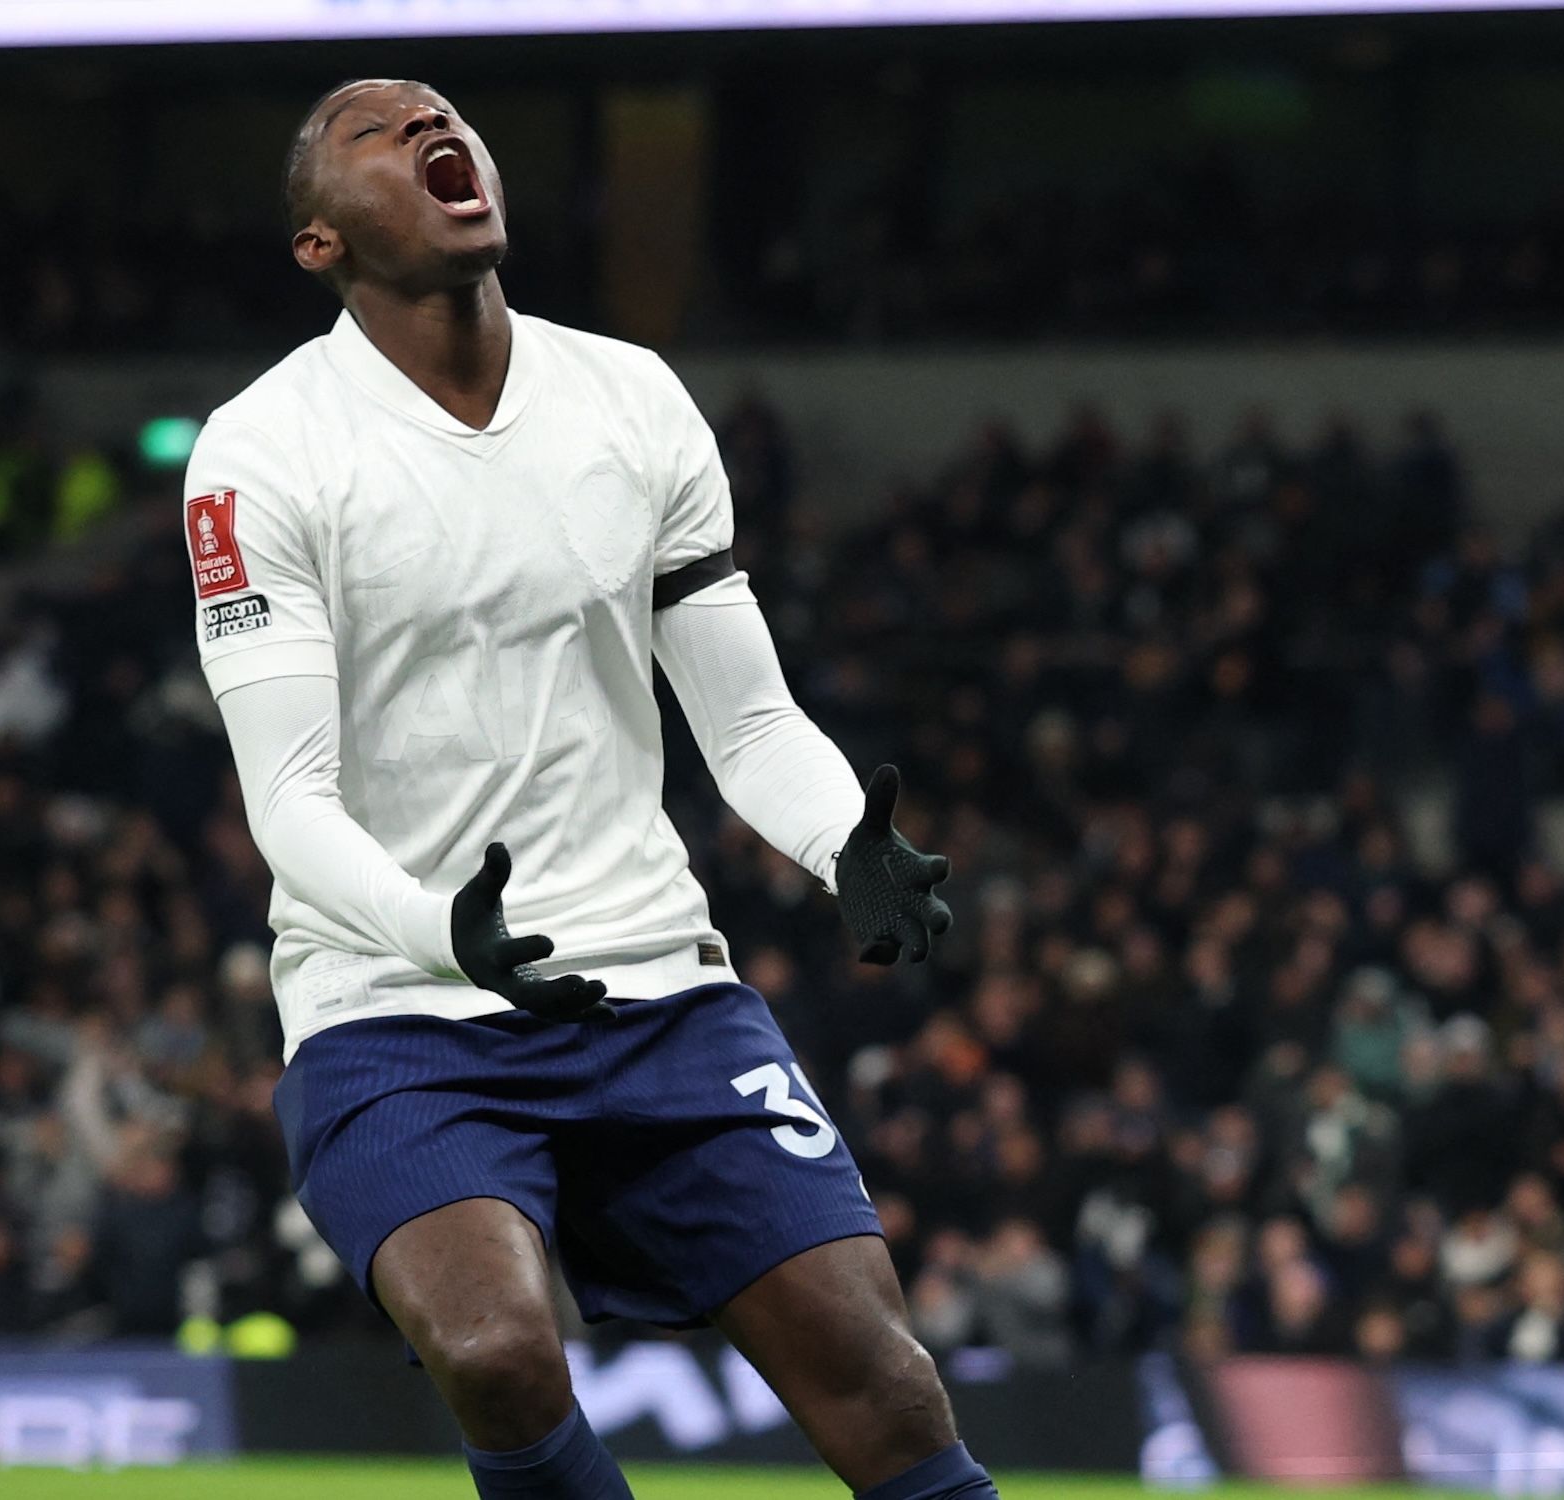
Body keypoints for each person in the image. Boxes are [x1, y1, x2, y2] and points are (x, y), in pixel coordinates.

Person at [192, 80, 985, 1500]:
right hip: (399, 1008)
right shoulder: (262, 454)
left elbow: (746, 719)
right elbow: (292, 803)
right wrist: (449, 936)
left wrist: (840, 844)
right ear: (322, 245)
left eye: (448, 117)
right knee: (497, 1350)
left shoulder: (632, 397)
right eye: (383, 132)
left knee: (886, 1380)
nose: (438, 131)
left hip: (655, 988)